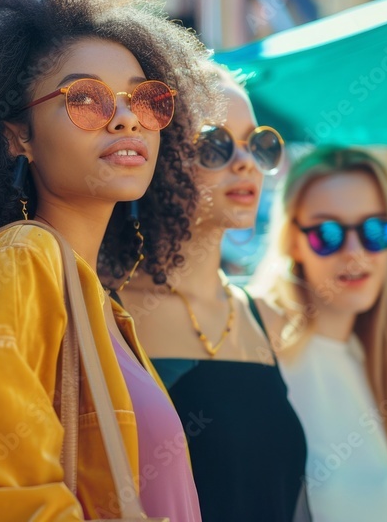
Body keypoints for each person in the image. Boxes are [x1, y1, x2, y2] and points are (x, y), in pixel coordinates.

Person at [0, 0, 221, 520]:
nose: (127, 120)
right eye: (87, 99)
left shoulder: (101, 306)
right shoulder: (22, 261)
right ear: (18, 137)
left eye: (144, 99)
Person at [116, 67, 310, 521]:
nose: (245, 163)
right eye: (214, 144)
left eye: (258, 144)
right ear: (157, 156)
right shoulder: (112, 313)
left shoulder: (268, 318)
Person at [249, 148, 387, 521]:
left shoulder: (378, 364)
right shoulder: (249, 331)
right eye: (328, 233)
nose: (355, 253)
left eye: (375, 231)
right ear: (292, 240)